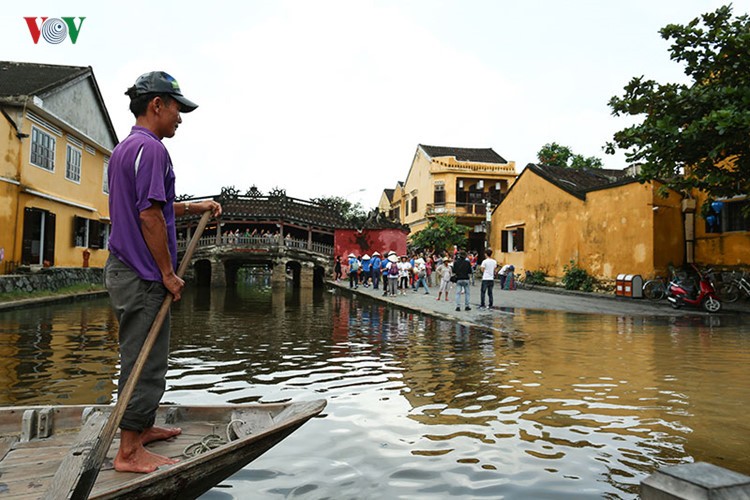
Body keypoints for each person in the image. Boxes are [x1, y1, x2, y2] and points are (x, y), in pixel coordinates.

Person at [105, 71, 222, 473]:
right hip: (142, 274)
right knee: (145, 361)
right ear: (157, 104)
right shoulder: (152, 150)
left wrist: (195, 206)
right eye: (177, 108)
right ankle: (128, 452)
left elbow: (159, 205)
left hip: (125, 269)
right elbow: (149, 215)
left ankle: (141, 428)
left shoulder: (126, 149)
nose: (180, 117)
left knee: (139, 355)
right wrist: (168, 273)